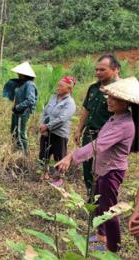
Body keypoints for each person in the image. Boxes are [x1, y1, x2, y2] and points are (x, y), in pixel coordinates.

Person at [55, 77, 139, 252]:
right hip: (103, 169)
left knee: (109, 210)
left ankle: (113, 248)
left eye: (114, 98)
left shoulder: (124, 124)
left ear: (126, 102)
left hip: (112, 172)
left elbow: (98, 145)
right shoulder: (116, 117)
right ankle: (101, 235)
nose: (109, 100)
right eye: (109, 96)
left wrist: (71, 156)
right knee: (101, 205)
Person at [74, 54, 120, 195]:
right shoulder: (93, 88)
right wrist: (79, 129)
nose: (98, 73)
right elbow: (87, 109)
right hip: (89, 134)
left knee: (104, 172)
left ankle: (102, 203)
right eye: (97, 70)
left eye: (102, 70)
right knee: (87, 169)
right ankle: (91, 198)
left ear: (115, 69)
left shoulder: (120, 91)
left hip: (107, 138)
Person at [39, 76, 76, 184]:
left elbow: (62, 119)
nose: (58, 87)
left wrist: (48, 126)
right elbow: (45, 112)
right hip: (46, 132)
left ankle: (58, 180)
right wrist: (42, 125)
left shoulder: (70, 103)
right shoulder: (53, 97)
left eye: (61, 85)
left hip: (59, 134)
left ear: (69, 89)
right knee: (43, 154)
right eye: (58, 85)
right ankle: (43, 174)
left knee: (59, 156)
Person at [3, 61, 37, 154]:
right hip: (17, 112)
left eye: (20, 73)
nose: (18, 74)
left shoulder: (29, 84)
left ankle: (24, 155)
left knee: (20, 134)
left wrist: (17, 107)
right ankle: (16, 152)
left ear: (24, 74)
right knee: (14, 132)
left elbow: (31, 100)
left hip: (23, 113)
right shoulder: (22, 83)